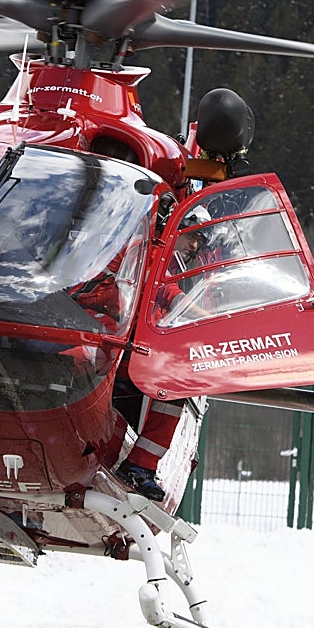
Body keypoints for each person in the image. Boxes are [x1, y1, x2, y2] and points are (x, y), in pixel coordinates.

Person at [114, 206, 212, 500]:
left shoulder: (162, 261)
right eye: (192, 237)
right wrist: (208, 321)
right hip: (120, 347)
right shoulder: (153, 256)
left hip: (128, 347)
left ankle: (138, 463)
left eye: (199, 241)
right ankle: (139, 465)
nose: (194, 246)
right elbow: (170, 296)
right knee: (173, 390)